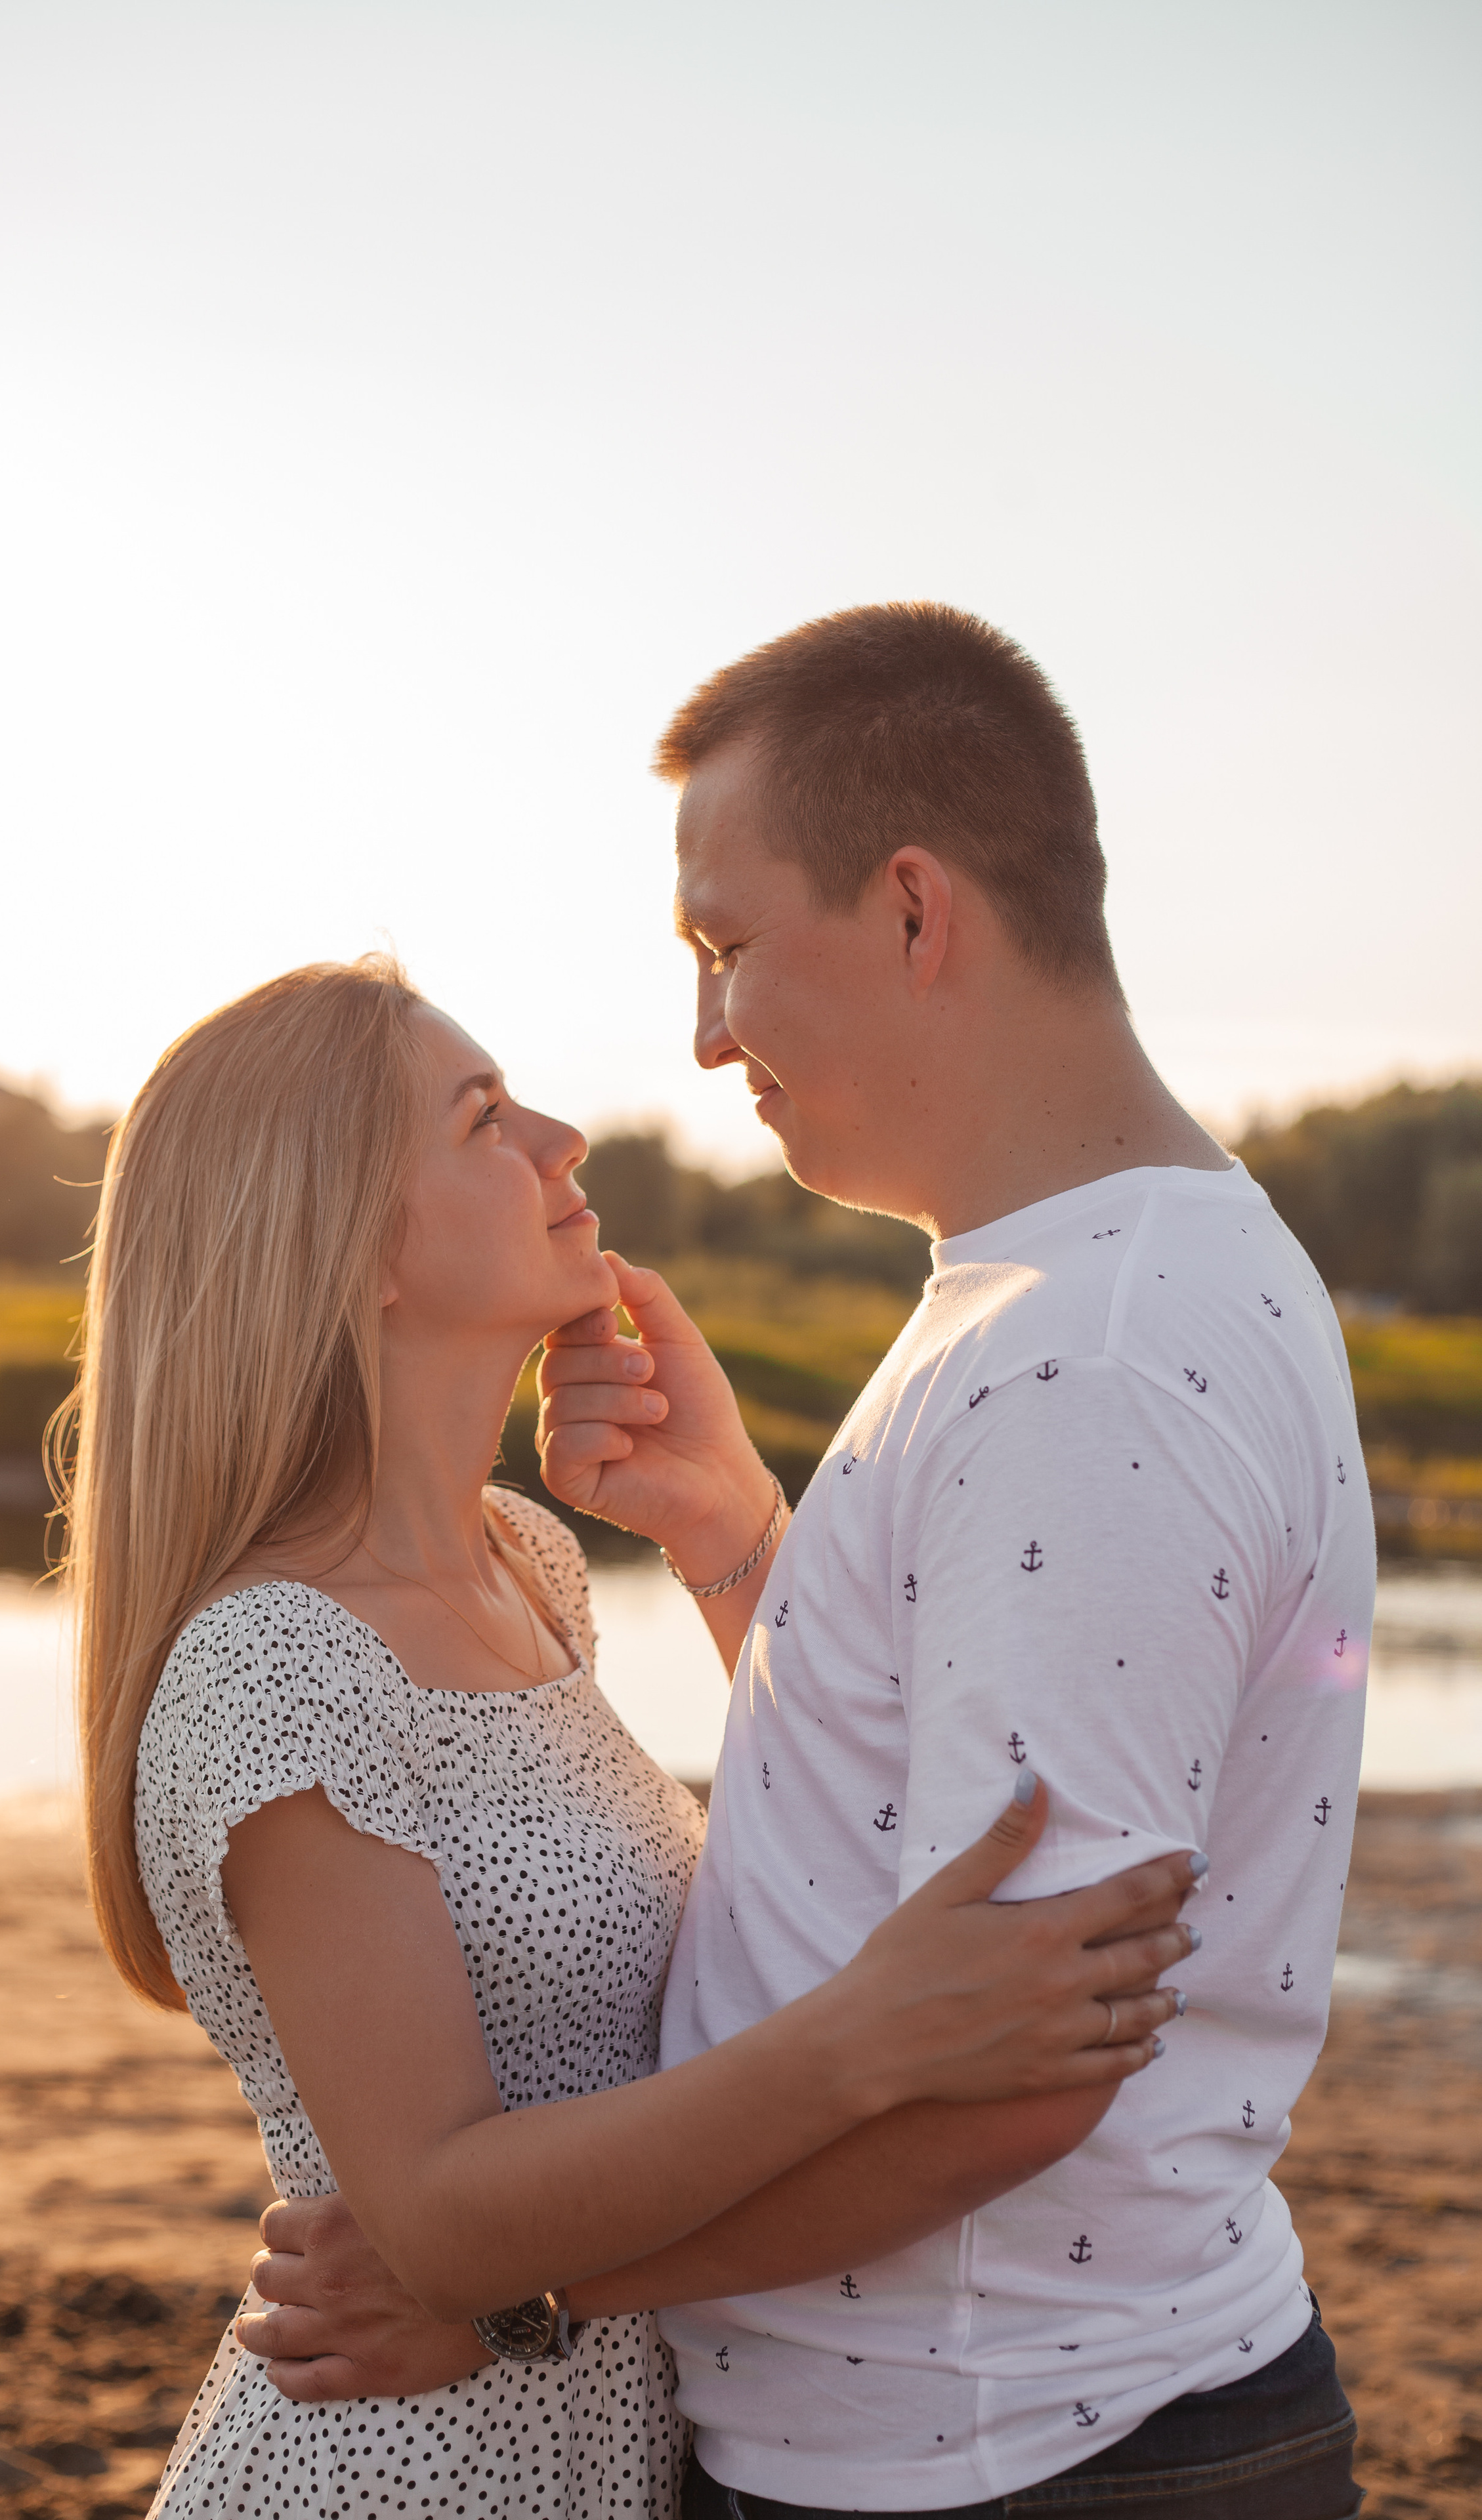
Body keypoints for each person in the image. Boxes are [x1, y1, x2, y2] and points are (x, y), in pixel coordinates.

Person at [239, 606, 1373, 2517]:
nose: (702, 1034)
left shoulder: (1083, 1368)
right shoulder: (1049, 1290)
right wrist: (744, 1544)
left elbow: (1022, 2062)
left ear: (917, 910)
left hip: (1025, 2462)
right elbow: (932, 1856)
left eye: (728, 946)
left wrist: (521, 2294)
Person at [61, 954, 1200, 2520]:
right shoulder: (273, 1668)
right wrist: (866, 2036)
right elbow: (445, 2222)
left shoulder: (522, 1564)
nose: (561, 1138)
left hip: (612, 2458)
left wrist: (726, 1529)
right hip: (400, 2479)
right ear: (350, 1244)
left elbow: (854, 1814)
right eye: (481, 1120)